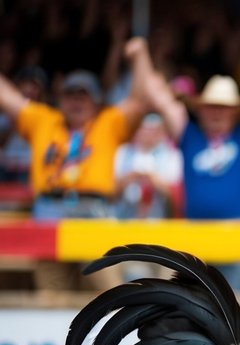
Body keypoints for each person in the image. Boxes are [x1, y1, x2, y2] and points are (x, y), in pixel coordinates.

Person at [0, 39, 152, 291]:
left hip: (92, 212)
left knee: (111, 292)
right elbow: (6, 97)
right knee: (51, 294)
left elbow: (141, 100)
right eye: (70, 96)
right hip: (48, 212)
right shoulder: (43, 120)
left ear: (95, 101)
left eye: (83, 96)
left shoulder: (108, 122)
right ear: (60, 100)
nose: (76, 102)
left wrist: (140, 55)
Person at [146, 33, 240, 291]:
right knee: (190, 310)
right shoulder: (189, 135)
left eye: (224, 107)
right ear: (200, 109)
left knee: (232, 312)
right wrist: (143, 55)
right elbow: (161, 101)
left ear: (234, 112)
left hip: (234, 237)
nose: (217, 112)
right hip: (193, 238)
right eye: (211, 106)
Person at [112, 113, 182, 221]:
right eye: (144, 129)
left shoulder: (172, 155)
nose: (149, 134)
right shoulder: (122, 152)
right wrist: (128, 179)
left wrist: (155, 182)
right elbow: (110, 192)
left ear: (162, 132)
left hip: (158, 222)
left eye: (154, 130)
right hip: (124, 221)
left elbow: (177, 197)